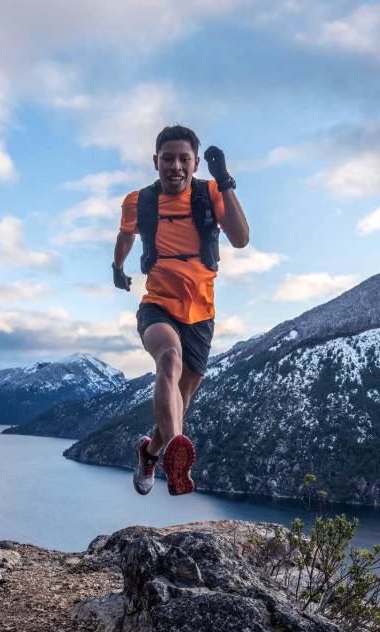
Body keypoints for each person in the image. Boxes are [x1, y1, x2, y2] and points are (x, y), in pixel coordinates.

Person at [112, 125, 251, 496]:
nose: (176, 167)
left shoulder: (211, 193)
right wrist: (117, 268)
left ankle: (152, 452)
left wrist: (225, 182)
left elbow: (240, 239)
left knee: (181, 397)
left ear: (194, 163)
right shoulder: (138, 201)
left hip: (201, 316)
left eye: (184, 159)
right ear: (156, 161)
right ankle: (176, 455)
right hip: (157, 306)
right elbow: (126, 235)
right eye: (168, 159)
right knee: (168, 360)